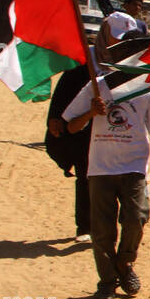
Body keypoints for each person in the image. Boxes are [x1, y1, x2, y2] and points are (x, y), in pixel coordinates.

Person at [62, 69, 150, 299]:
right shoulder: (97, 85)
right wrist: (91, 112)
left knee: (137, 217)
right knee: (102, 230)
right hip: (100, 168)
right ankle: (107, 281)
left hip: (135, 168)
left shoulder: (149, 89)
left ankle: (124, 261)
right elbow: (71, 126)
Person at [46, 58, 96, 241]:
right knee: (85, 177)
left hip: (121, 134)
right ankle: (85, 227)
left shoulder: (132, 65)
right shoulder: (86, 64)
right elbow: (64, 92)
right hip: (83, 131)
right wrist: (54, 117)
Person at [96, 0, 147, 65]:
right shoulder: (114, 20)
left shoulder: (141, 25)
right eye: (134, 5)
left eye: (140, 6)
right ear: (125, 5)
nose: (137, 8)